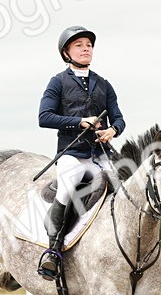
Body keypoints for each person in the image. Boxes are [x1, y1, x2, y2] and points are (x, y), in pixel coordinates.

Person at [36, 25, 125, 280]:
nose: (86, 48)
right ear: (67, 52)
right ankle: (53, 251)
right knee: (67, 185)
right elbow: (44, 117)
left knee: (129, 188)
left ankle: (147, 258)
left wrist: (113, 131)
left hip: (100, 154)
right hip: (72, 153)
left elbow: (118, 118)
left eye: (89, 44)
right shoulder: (58, 82)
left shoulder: (104, 84)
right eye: (79, 45)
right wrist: (79, 122)